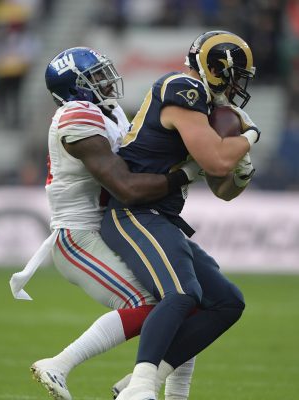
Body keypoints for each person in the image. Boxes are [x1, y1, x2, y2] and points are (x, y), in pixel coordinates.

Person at [9, 47, 203, 400]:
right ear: (75, 88)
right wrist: (186, 174)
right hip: (80, 235)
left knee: (186, 300)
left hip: (114, 229)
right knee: (148, 304)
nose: (106, 81)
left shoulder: (109, 111)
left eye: (103, 72)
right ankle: (59, 363)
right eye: (95, 77)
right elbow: (126, 187)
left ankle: (151, 388)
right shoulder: (76, 114)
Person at [100, 30, 261, 400]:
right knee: (181, 293)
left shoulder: (205, 106)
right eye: (236, 76)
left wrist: (243, 171)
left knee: (226, 302)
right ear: (217, 68)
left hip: (162, 216)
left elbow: (224, 190)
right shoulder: (182, 88)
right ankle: (140, 387)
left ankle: (146, 380)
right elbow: (215, 159)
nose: (238, 85)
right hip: (134, 212)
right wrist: (249, 138)